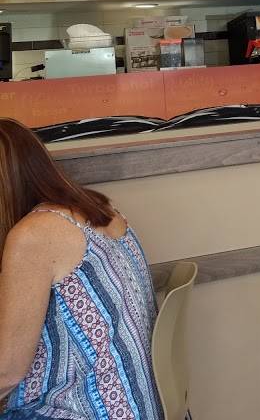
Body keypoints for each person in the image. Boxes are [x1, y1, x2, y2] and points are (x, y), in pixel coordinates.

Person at [0, 118, 163, 420]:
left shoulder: (34, 235)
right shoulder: (102, 210)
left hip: (82, 410)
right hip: (141, 405)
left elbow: (6, 371)